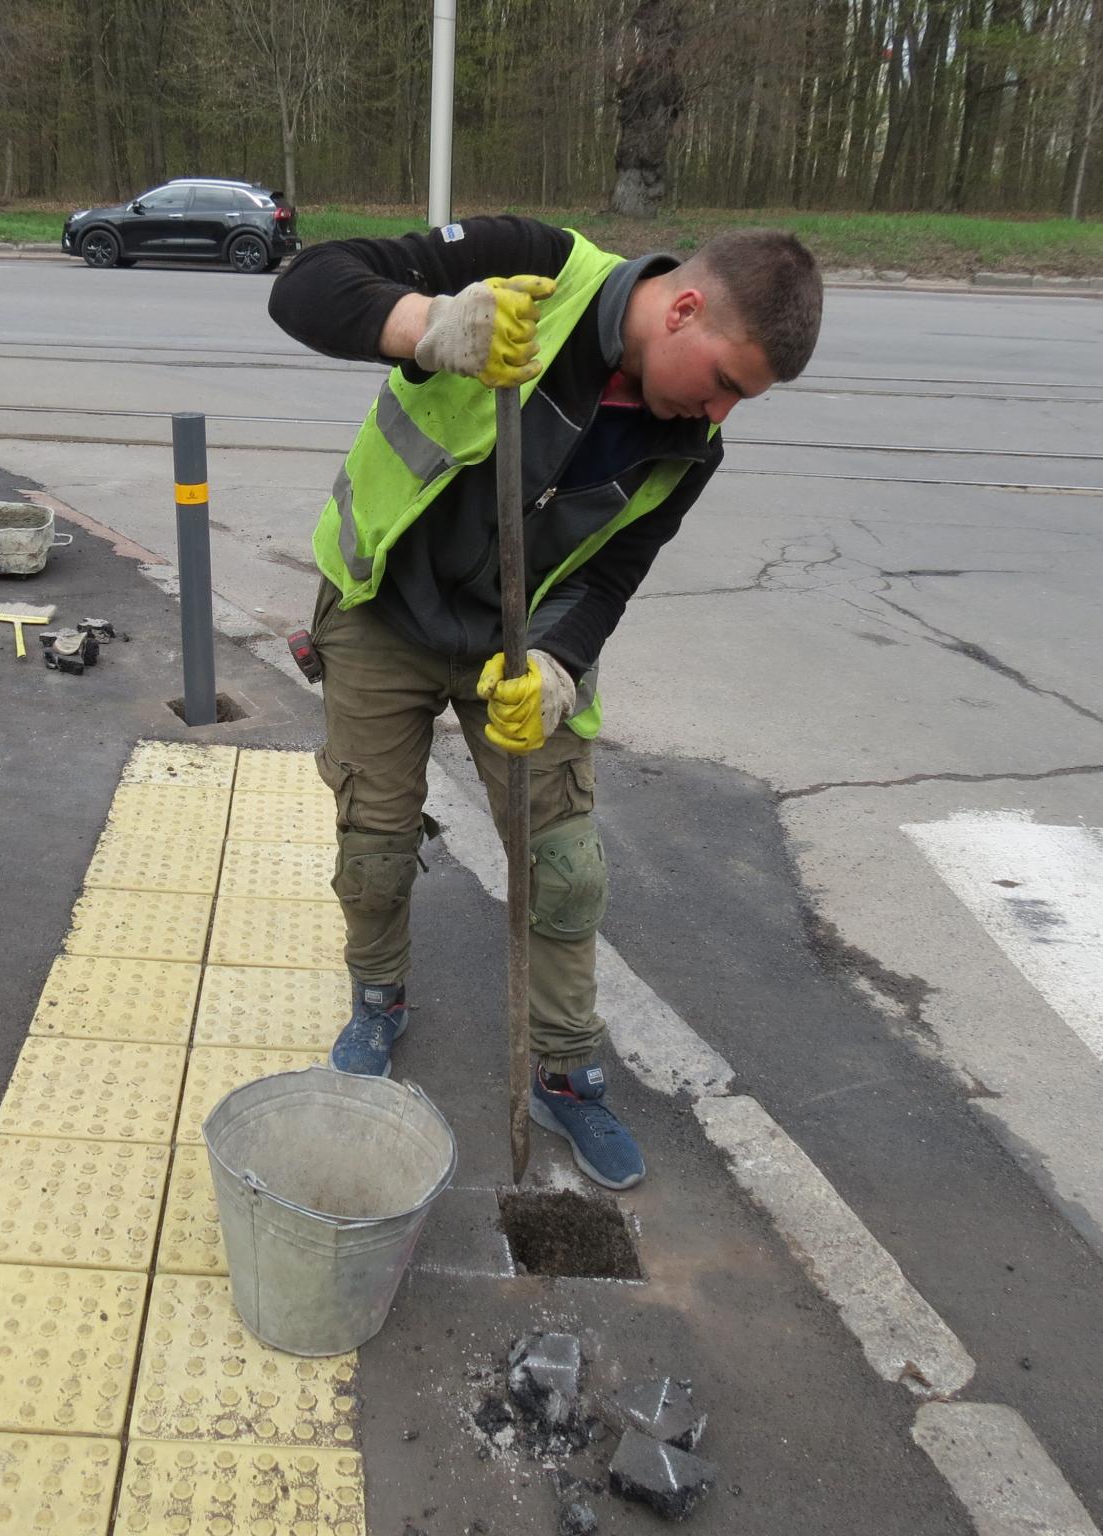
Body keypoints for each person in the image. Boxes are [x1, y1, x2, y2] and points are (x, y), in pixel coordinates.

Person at [268, 214, 823, 1190]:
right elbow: (304, 285)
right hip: (381, 613)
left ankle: (563, 1072)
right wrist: (426, 325)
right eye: (728, 382)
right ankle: (378, 1000)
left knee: (562, 867)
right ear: (683, 309)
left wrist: (559, 665)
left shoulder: (688, 443)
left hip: (516, 649)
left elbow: (607, 578)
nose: (723, 413)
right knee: (375, 839)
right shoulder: (532, 267)